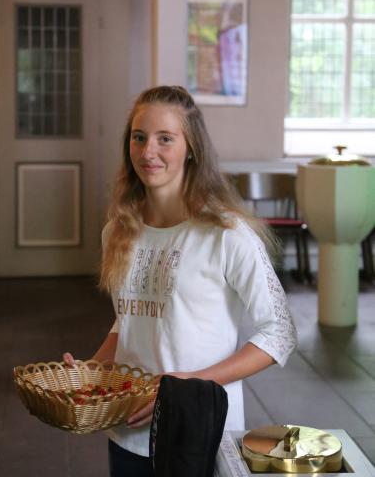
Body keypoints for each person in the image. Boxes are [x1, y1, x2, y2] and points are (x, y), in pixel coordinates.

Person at [64, 85, 297, 477]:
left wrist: (178, 389)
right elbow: (129, 321)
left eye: (164, 139)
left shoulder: (227, 234)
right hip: (128, 434)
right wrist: (88, 371)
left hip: (201, 434)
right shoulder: (117, 232)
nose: (147, 151)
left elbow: (280, 333)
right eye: (138, 138)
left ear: (191, 148)